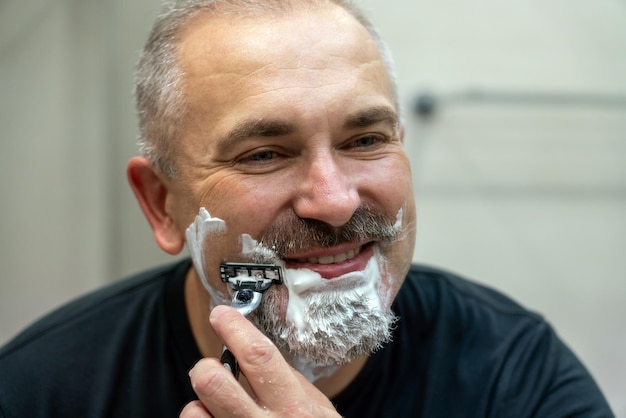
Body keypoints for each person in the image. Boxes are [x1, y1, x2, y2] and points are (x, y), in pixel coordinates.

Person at [0, 0, 615, 417]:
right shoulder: (39, 389)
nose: (336, 200)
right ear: (163, 204)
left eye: (366, 140)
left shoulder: (515, 377)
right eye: (265, 153)